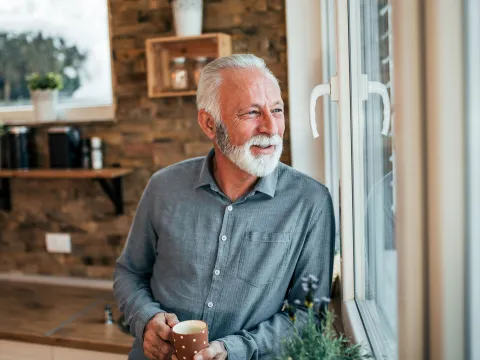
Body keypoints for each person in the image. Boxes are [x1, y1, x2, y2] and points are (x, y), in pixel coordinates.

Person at [113, 54, 335, 360]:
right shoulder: (163, 187)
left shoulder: (311, 202)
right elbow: (129, 273)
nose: (271, 127)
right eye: (252, 113)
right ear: (209, 123)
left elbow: (310, 315)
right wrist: (146, 320)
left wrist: (234, 349)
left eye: (277, 110)